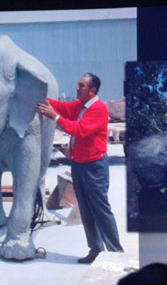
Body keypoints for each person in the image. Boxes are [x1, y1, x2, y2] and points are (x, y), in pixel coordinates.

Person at [36, 72, 123, 263]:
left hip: (94, 167)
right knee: (85, 209)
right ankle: (95, 250)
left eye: (81, 85)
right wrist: (37, 95)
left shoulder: (98, 109)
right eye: (78, 84)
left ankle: (116, 253)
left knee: (100, 210)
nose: (77, 88)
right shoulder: (81, 106)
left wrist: (55, 117)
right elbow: (63, 107)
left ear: (92, 90)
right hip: (80, 165)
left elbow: (79, 131)